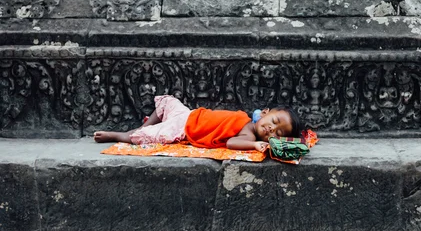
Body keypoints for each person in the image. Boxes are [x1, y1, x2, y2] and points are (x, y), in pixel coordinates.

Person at [93, 95, 303, 152]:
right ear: (265, 113)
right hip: (188, 115)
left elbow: (231, 144)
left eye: (277, 133)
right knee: (167, 102)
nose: (271, 130)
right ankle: (146, 127)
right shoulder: (247, 122)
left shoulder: (247, 134)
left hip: (184, 127)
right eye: (273, 122)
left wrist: (255, 144)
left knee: (145, 138)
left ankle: (119, 135)